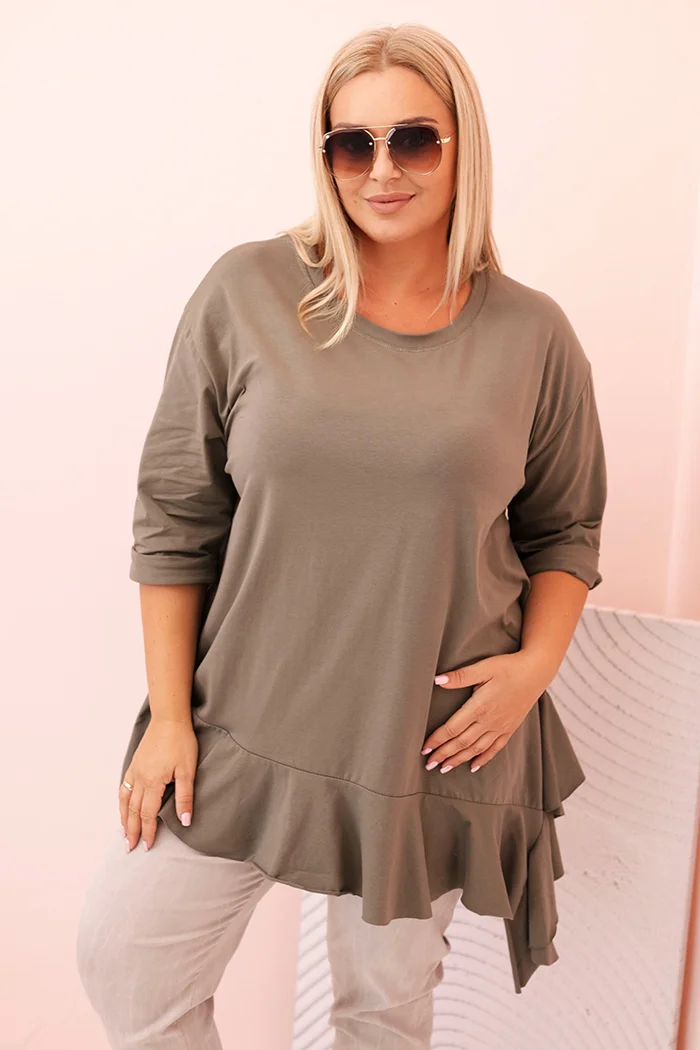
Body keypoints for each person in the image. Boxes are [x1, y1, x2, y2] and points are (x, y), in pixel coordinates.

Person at [75, 20, 607, 1049]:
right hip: (244, 719)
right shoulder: (248, 292)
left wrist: (534, 668)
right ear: (324, 156)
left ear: (463, 145)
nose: (381, 170)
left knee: (382, 1015)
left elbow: (564, 528)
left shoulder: (533, 336)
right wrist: (171, 719)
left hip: (428, 741)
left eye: (413, 139)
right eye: (351, 143)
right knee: (127, 962)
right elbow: (176, 516)